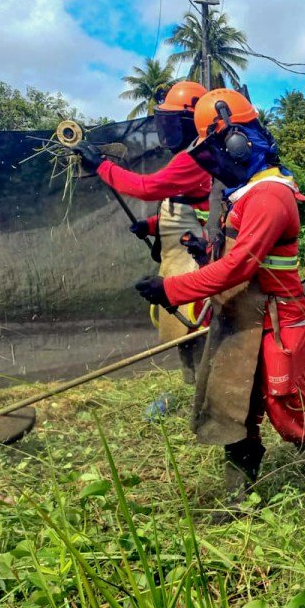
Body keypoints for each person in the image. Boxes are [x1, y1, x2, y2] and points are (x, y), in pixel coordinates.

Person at [131, 88, 305, 506]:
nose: (214, 162)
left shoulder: (270, 196)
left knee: (283, 409)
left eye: (216, 150)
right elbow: (230, 258)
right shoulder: (244, 196)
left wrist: (171, 289)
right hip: (244, 319)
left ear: (237, 142)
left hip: (278, 322)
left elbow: (239, 268)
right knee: (236, 407)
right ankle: (239, 499)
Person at [75, 80, 213, 383]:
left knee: (193, 321)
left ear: (190, 123)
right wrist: (150, 226)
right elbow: (181, 203)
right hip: (177, 256)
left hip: (193, 258)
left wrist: (101, 167)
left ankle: (204, 385)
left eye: (171, 122)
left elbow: (148, 189)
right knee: (179, 324)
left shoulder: (196, 158)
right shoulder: (190, 154)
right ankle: (191, 385)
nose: (166, 129)